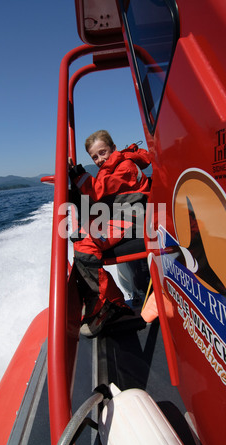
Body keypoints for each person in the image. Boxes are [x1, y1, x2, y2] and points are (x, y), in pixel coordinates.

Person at [68, 130, 151, 337]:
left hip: (134, 219)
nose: (99, 159)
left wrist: (78, 175)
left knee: (86, 246)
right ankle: (103, 300)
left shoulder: (125, 166)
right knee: (79, 237)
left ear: (113, 149)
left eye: (102, 152)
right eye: (94, 157)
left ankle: (110, 304)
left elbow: (98, 190)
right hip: (121, 216)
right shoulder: (110, 167)